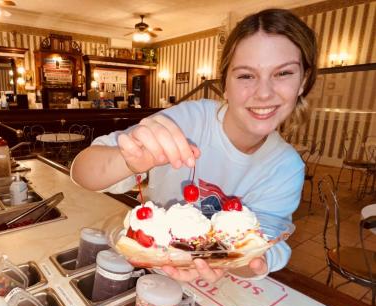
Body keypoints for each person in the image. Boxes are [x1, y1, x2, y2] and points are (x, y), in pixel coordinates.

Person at [71, 8, 317, 283]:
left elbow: (265, 246)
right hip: (150, 272)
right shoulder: (188, 121)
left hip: (225, 286)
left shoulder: (286, 167)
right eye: (246, 76)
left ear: (303, 82)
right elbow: (83, 171)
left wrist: (231, 262)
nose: (263, 92)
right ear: (225, 84)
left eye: (283, 73)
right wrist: (129, 161)